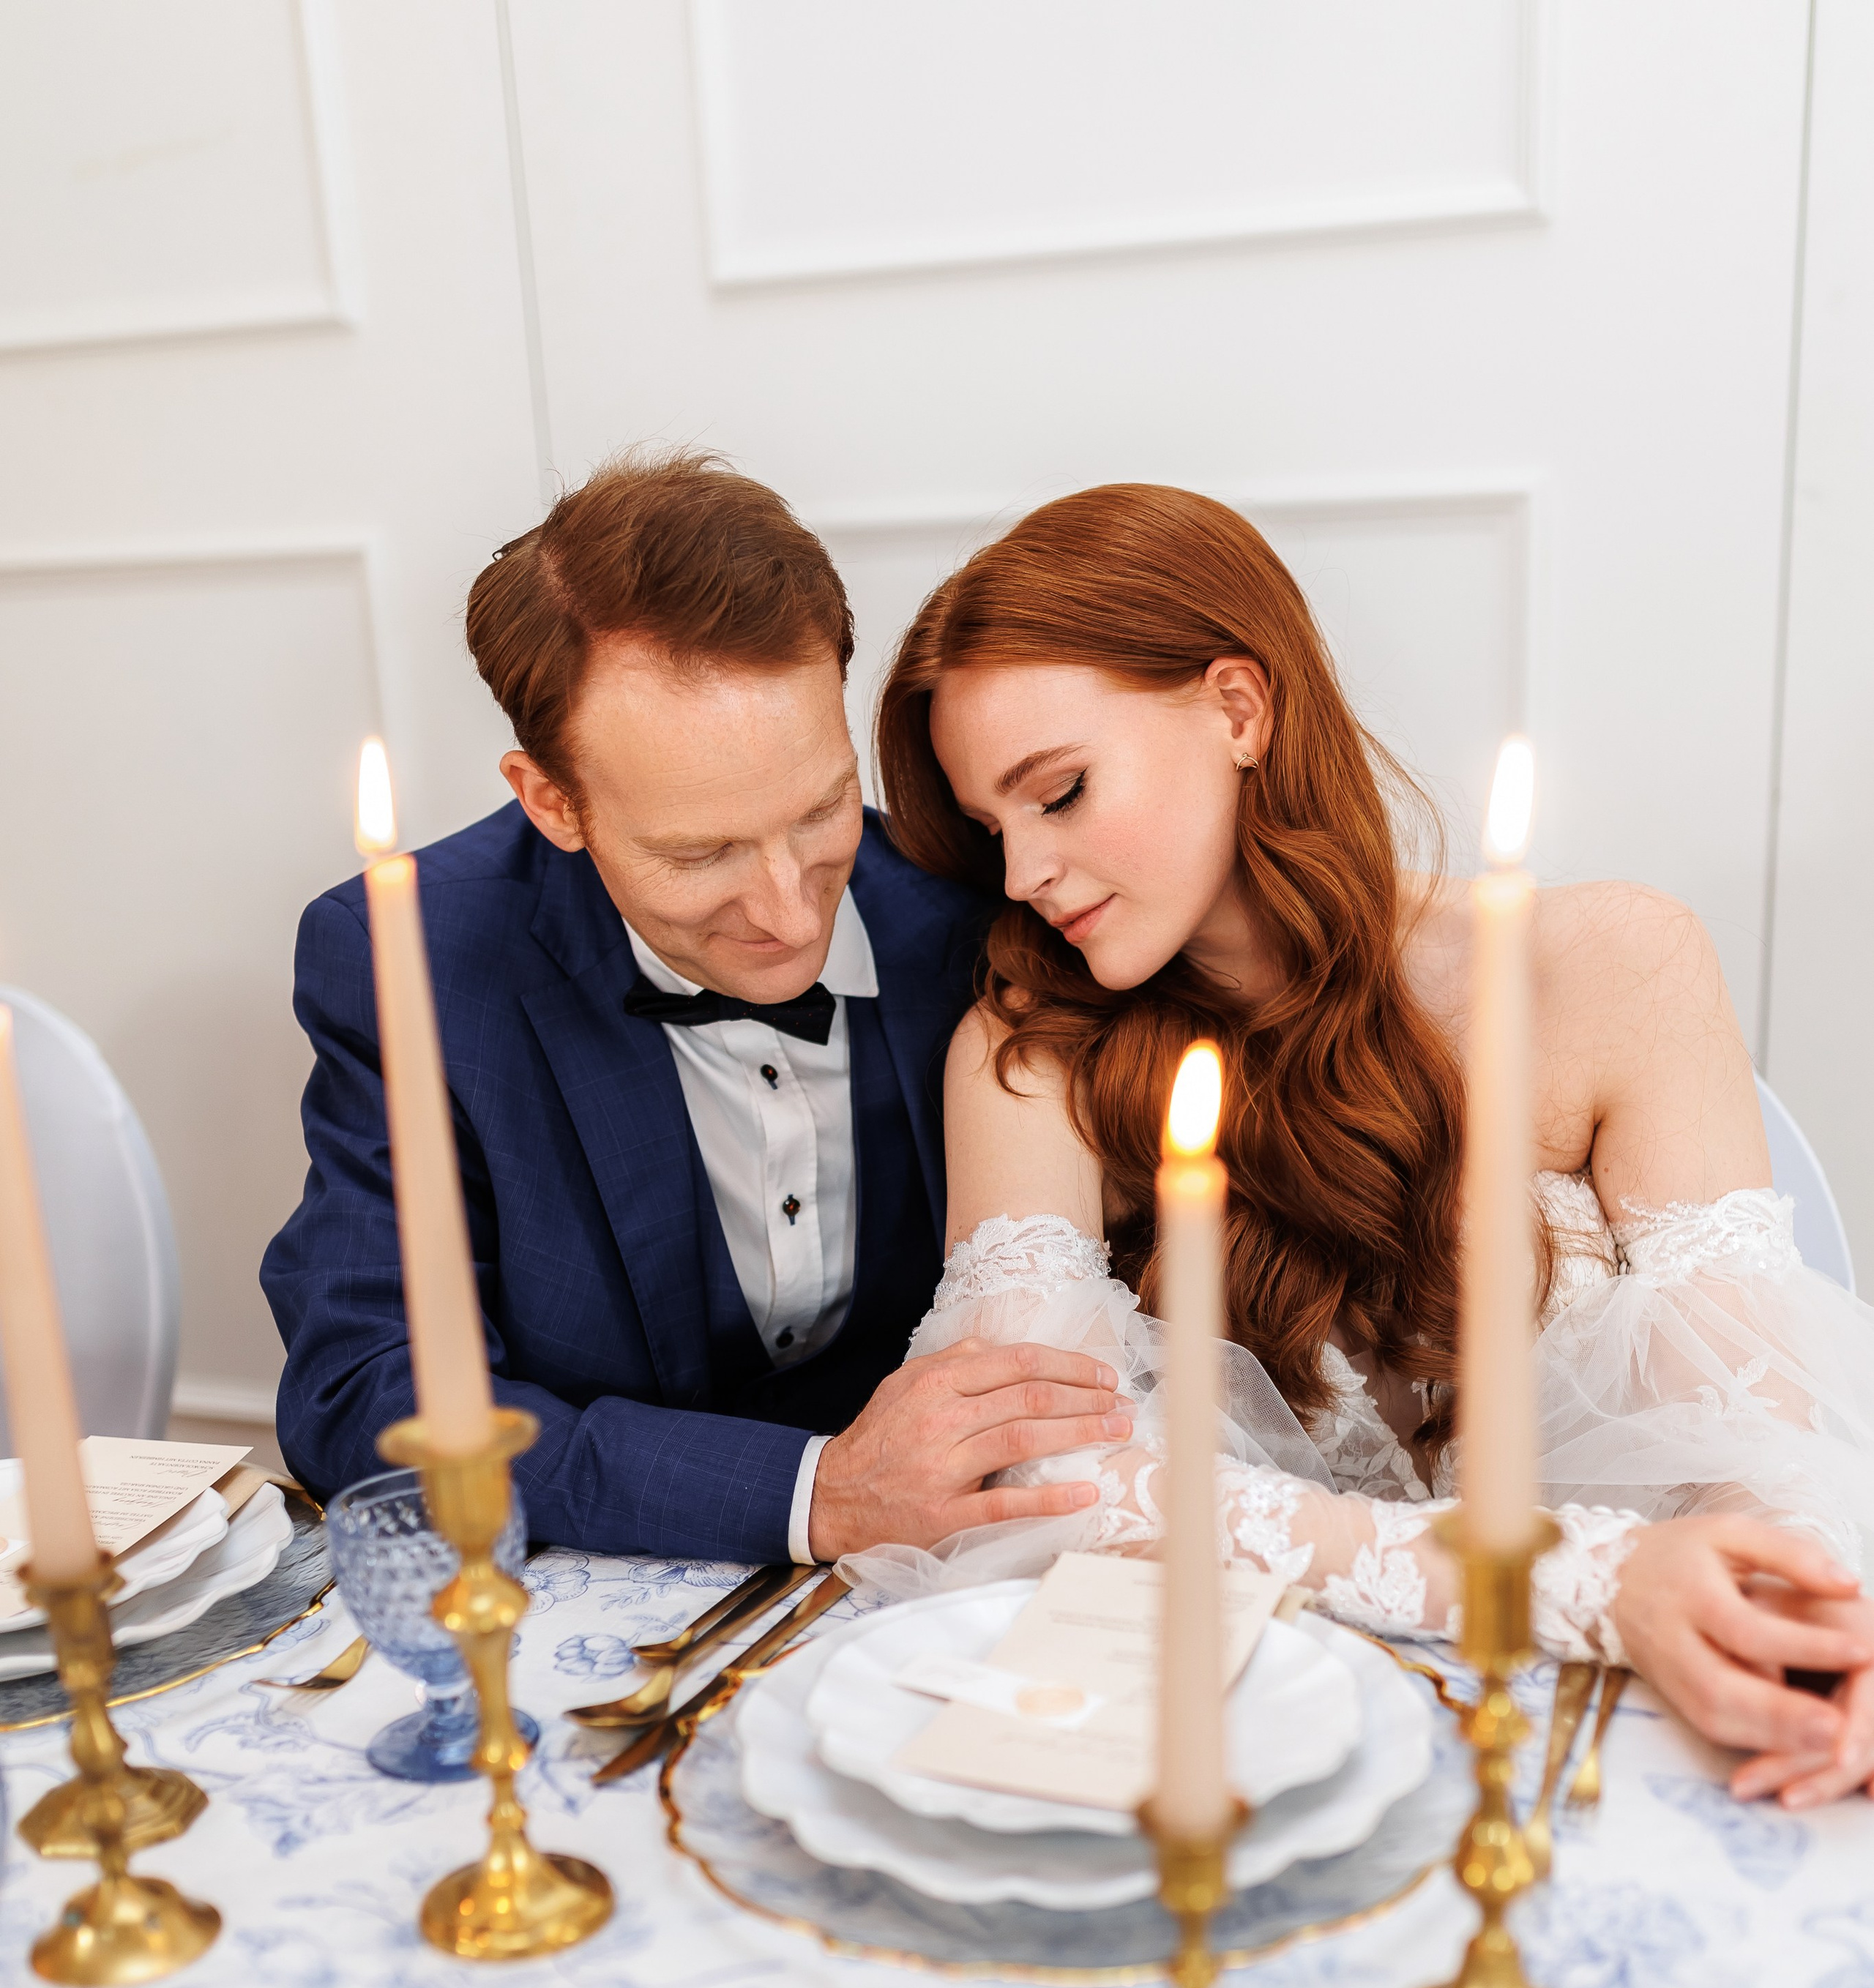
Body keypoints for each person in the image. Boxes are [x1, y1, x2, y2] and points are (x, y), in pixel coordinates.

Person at [862, 482, 1874, 1807]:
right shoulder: (1031, 1057)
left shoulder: (1613, 966)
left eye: (1059, 792)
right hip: (1253, 1758)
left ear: (1239, 707)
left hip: (1610, 1740)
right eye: (994, 830)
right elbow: (1036, 1487)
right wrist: (1576, 1579)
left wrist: (1800, 1630)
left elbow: (1756, 1442)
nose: (1022, 876)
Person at [262, 452, 1127, 1563]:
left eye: (820, 810)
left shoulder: (980, 902)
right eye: (701, 851)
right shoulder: (407, 957)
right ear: (552, 802)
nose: (787, 910)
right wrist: (810, 1490)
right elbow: (358, 1388)